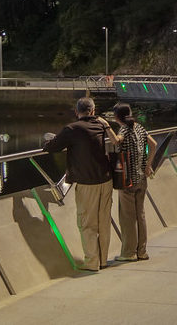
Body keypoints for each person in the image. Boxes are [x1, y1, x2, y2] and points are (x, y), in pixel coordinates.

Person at [42, 96, 113, 271]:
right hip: (106, 180)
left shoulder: (72, 129)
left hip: (87, 183)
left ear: (76, 112)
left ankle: (91, 262)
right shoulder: (101, 125)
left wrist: (46, 140)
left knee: (87, 223)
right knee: (103, 221)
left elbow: (52, 146)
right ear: (93, 111)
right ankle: (103, 260)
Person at [97, 103, 157, 262]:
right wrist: (148, 165)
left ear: (117, 117)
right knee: (140, 215)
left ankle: (129, 253)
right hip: (141, 179)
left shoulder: (124, 129)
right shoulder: (139, 127)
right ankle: (142, 251)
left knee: (127, 217)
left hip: (127, 180)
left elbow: (116, 141)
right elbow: (154, 145)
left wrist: (106, 126)